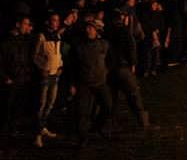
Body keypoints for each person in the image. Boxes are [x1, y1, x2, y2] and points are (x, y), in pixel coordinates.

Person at [70, 20, 113, 146]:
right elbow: (72, 66)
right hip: (84, 83)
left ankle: (98, 126)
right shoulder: (78, 46)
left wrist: (105, 72)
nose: (88, 30)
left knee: (108, 106)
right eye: (87, 28)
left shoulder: (104, 44)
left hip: (100, 82)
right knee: (82, 112)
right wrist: (72, 83)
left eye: (91, 28)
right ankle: (82, 138)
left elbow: (111, 60)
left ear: (96, 31)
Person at [106, 10, 149, 130]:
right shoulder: (124, 31)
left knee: (111, 98)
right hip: (123, 67)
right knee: (134, 95)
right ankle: (142, 122)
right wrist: (133, 64)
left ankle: (109, 123)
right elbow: (131, 47)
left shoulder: (107, 31)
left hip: (110, 69)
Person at [1, 15, 34, 140]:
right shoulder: (6, 42)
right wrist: (4, 77)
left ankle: (13, 130)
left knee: (18, 106)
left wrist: (27, 74)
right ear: (17, 24)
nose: (27, 26)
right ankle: (5, 131)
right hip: (11, 80)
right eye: (25, 24)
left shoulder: (25, 41)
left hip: (23, 79)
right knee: (7, 107)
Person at [33, 12, 63, 147]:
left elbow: (58, 54)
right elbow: (35, 55)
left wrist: (60, 65)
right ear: (48, 22)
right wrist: (41, 68)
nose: (56, 23)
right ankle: (37, 134)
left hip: (55, 74)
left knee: (50, 104)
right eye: (53, 20)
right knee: (41, 104)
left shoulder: (57, 36)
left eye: (57, 21)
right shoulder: (42, 36)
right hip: (45, 74)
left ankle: (42, 127)